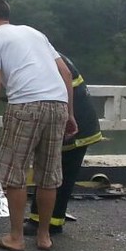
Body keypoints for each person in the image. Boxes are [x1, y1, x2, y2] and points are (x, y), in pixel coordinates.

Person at [0, 0, 77, 251]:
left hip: (25, 106)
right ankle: (44, 237)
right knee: (48, 175)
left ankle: (16, 237)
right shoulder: (36, 33)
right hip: (57, 105)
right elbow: (66, 73)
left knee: (14, 173)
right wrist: (70, 114)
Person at [25, 55, 104, 235]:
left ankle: (49, 223)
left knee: (56, 175)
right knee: (52, 173)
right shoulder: (51, 56)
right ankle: (42, 218)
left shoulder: (46, 60)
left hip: (75, 127)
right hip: (76, 123)